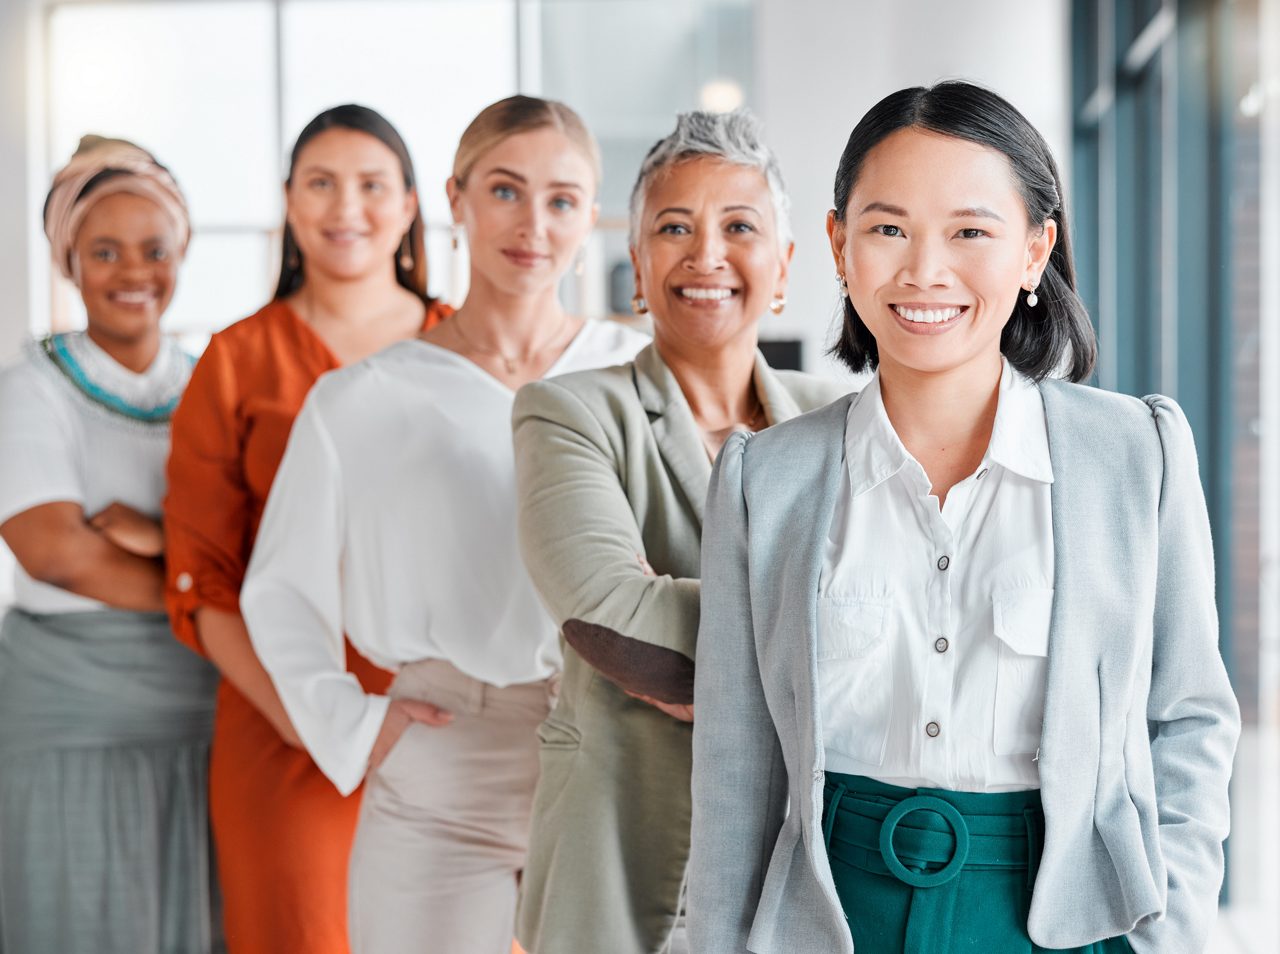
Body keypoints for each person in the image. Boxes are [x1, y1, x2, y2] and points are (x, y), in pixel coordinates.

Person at [688, 82, 1240, 954]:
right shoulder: (764, 479)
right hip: (834, 919)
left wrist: (1171, 929)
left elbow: (1190, 718)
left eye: (970, 231)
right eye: (888, 228)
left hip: (1072, 920)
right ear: (839, 245)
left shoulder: (1138, 453)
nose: (923, 270)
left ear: (1035, 250)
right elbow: (734, 770)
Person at [240, 94, 649, 954]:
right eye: (504, 190)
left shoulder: (634, 375)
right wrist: (357, 725)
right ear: (455, 200)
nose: (533, 223)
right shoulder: (360, 399)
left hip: (612, 750)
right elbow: (279, 594)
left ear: (592, 218)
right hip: (441, 756)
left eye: (562, 200)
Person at [510, 109, 844, 954]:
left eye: (739, 227)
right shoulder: (568, 411)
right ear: (637, 268)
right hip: (621, 851)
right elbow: (608, 613)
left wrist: (709, 653)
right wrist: (811, 656)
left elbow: (906, 600)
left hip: (799, 860)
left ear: (782, 269)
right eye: (673, 228)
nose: (705, 256)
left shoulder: (843, 423)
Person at [162, 104, 450, 953]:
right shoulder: (235, 359)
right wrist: (313, 719)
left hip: (451, 721)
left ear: (408, 205)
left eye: (370, 184)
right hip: (284, 720)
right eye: (320, 184)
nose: (345, 206)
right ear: (289, 202)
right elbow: (201, 579)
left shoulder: (469, 347)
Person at [0, 136, 220, 953]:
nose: (134, 271)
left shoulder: (213, 383)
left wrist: (157, 537)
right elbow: (55, 552)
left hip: (205, 707)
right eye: (104, 250)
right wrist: (200, 578)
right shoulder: (30, 389)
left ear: (182, 252)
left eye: (154, 248)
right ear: (69, 261)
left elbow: (266, 546)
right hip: (75, 716)